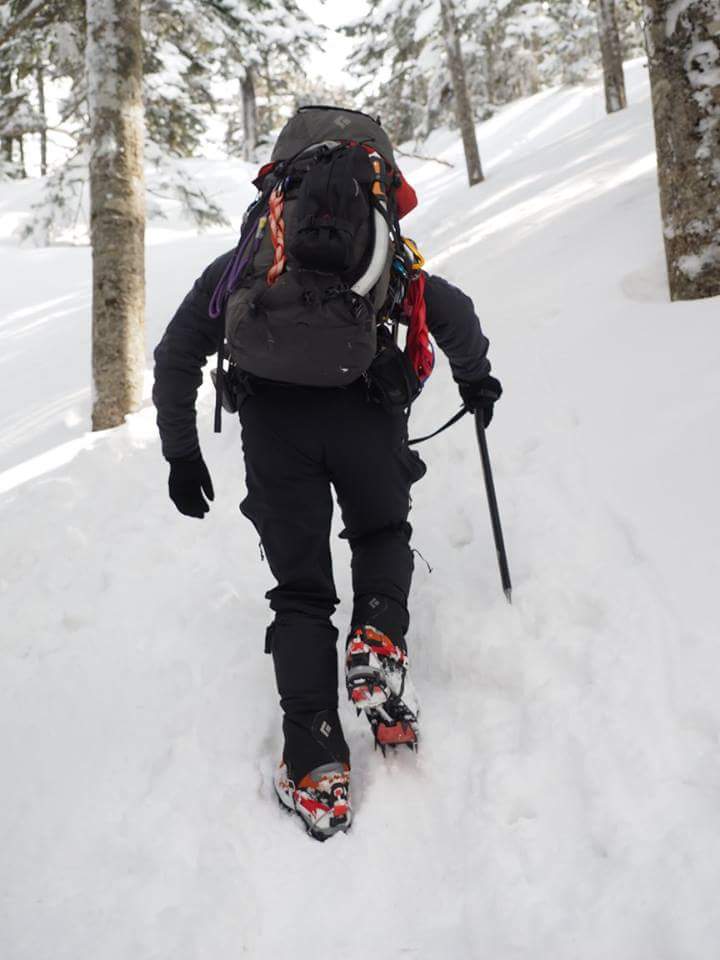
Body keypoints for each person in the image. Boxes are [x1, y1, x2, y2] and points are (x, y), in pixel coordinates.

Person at [153, 107, 501, 842]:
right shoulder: (384, 247)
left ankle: (315, 764)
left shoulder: (250, 257)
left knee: (301, 588)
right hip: (366, 411)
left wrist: (182, 452)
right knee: (380, 531)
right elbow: (452, 312)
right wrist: (478, 382)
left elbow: (177, 353)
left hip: (276, 429)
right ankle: (376, 635)